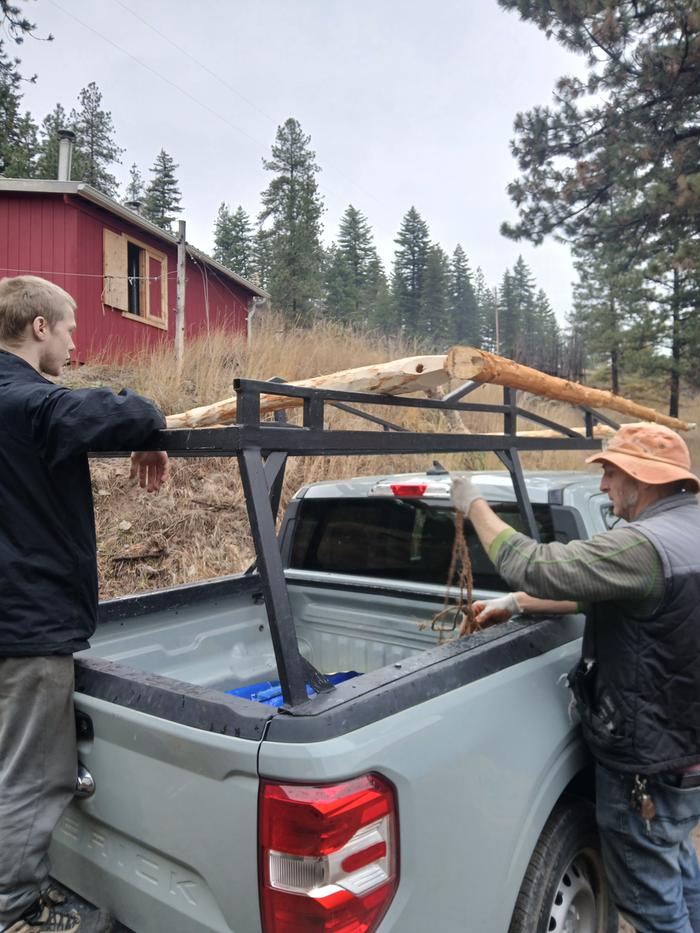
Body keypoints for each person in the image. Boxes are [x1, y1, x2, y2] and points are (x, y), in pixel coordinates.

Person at [452, 422, 700, 933]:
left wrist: (473, 503)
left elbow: (535, 565)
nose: (604, 485)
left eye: (610, 472)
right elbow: (621, 596)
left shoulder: (642, 545)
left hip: (647, 766)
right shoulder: (688, 533)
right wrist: (516, 604)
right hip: (684, 752)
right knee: (676, 864)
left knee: (652, 905)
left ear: (641, 477)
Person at [0, 276, 169, 933]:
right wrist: (150, 424)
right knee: (31, 776)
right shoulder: (30, 402)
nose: (74, 342)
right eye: (69, 327)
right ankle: (15, 911)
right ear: (39, 326)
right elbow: (125, 410)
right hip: (27, 626)